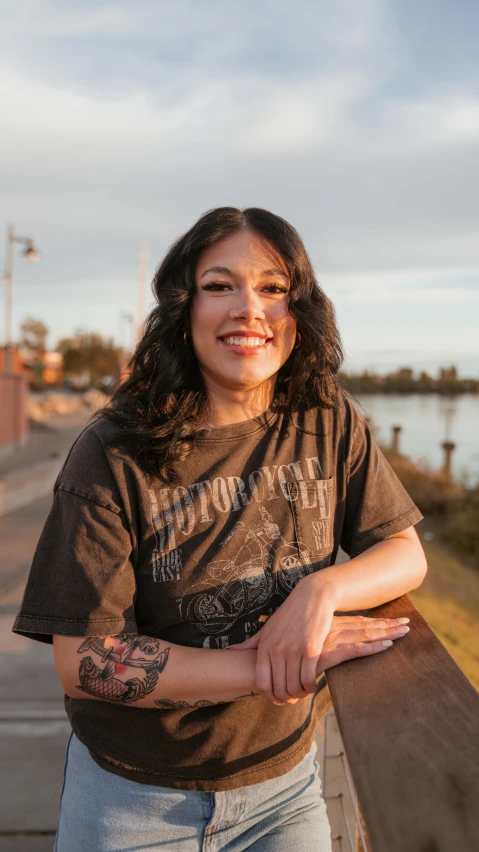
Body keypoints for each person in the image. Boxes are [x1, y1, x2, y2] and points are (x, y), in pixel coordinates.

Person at [13, 207, 426, 852]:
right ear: (184, 308)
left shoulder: (326, 418)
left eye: (272, 287)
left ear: (300, 309)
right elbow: (86, 660)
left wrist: (318, 595)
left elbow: (404, 553)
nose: (248, 310)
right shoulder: (115, 450)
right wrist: (267, 667)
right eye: (219, 286)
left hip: (285, 785)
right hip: (133, 801)